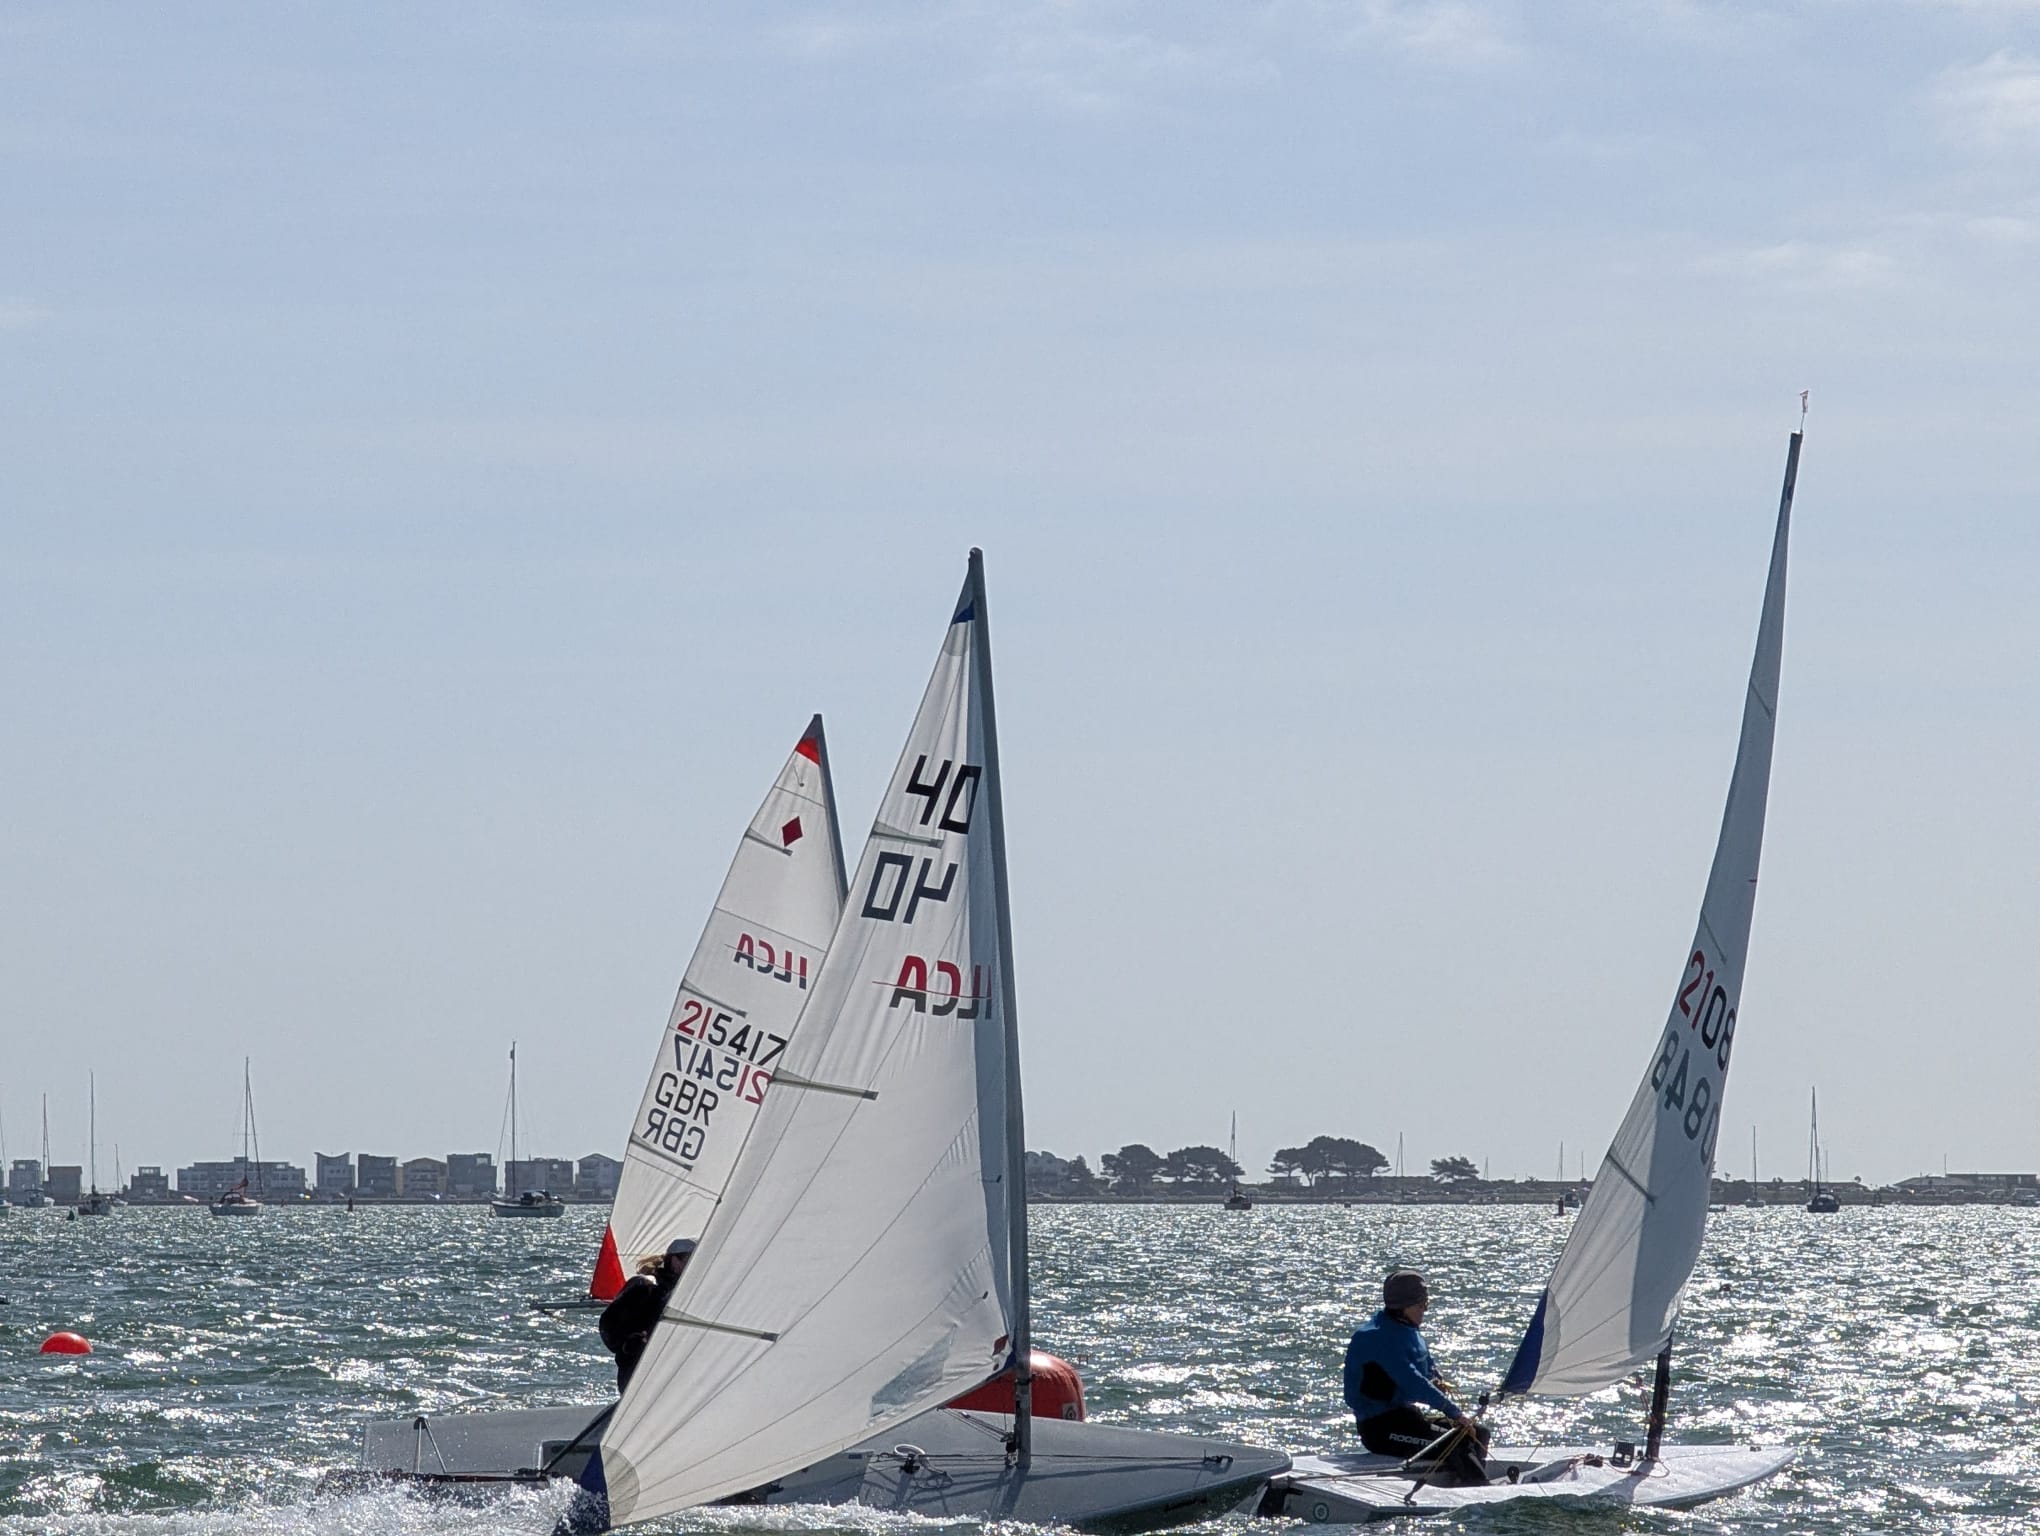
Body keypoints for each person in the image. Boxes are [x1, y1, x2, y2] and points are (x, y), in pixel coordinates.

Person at [1343, 1270, 1488, 1486]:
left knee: (1480, 1433)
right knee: (1455, 1443)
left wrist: (1436, 1378)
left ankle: (1464, 1480)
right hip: (1381, 1429)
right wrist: (1455, 1413)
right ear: (1403, 1307)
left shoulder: (1408, 1329)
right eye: (1420, 1305)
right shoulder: (1376, 1337)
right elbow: (1413, 1381)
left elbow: (1427, 1366)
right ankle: (1479, 1490)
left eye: (1426, 1304)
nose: (1425, 1310)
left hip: (1407, 1417)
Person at [598, 1238, 695, 1393]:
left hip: (674, 1368)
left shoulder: (690, 1291)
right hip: (638, 1368)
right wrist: (630, 1343)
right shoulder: (645, 1286)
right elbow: (609, 1326)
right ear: (675, 1261)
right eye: (690, 1260)